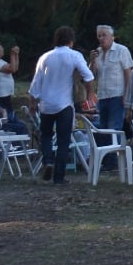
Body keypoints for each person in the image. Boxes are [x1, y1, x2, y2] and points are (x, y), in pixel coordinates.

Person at [28, 26, 96, 185]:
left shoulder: (45, 57)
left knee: (45, 135)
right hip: (65, 104)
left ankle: (48, 161)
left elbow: (36, 82)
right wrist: (90, 94)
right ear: (71, 41)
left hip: (46, 105)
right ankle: (59, 177)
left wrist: (33, 102)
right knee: (63, 139)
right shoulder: (74, 55)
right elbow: (88, 76)